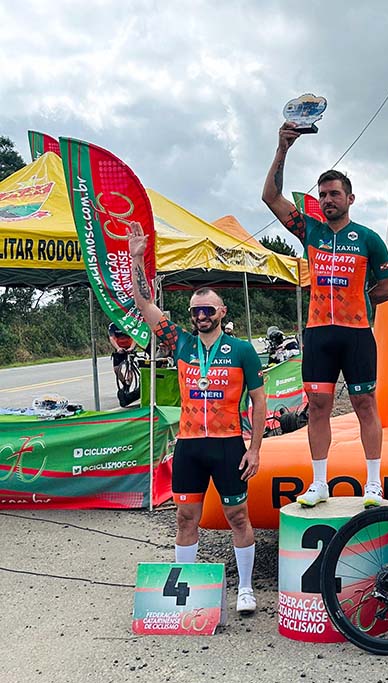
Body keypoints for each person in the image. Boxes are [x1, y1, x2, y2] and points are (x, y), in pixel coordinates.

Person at [128, 222, 266, 615]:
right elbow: (143, 304)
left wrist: (254, 450)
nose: (201, 315)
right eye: (195, 311)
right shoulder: (180, 342)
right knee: (186, 517)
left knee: (238, 516)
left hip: (227, 445)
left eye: (208, 309)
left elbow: (259, 402)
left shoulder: (242, 350)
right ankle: (182, 589)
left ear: (222, 312)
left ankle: (245, 588)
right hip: (189, 445)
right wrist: (137, 257)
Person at [262, 124, 388, 508]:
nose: (327, 200)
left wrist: (361, 301)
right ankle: (319, 482)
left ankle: (374, 483)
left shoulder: (368, 238)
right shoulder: (310, 232)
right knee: (318, 406)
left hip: (356, 333)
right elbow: (270, 196)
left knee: (365, 405)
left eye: (334, 193)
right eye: (322, 195)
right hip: (319, 333)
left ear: (350, 198)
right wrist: (282, 147)